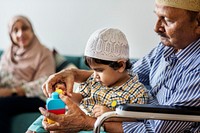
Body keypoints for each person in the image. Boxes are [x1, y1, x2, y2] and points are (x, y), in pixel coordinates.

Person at [39, 0, 200, 132]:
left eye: (168, 20)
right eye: (157, 17)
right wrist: (74, 73)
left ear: (198, 22)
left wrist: (91, 122)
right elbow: (124, 74)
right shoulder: (166, 49)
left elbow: (156, 130)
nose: (156, 27)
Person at [27, 28, 149, 133]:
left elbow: (135, 119)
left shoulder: (136, 91)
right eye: (92, 70)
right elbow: (80, 98)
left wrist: (111, 114)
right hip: (75, 121)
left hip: (94, 128)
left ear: (121, 65)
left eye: (99, 70)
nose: (94, 75)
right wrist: (67, 96)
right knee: (46, 120)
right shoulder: (94, 81)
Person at [0, 15, 55, 133]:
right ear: (11, 35)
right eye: (15, 30)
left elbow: (45, 82)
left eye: (24, 28)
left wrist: (12, 91)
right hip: (10, 96)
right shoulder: (8, 53)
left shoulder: (44, 52)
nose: (20, 34)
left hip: (34, 97)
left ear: (31, 30)